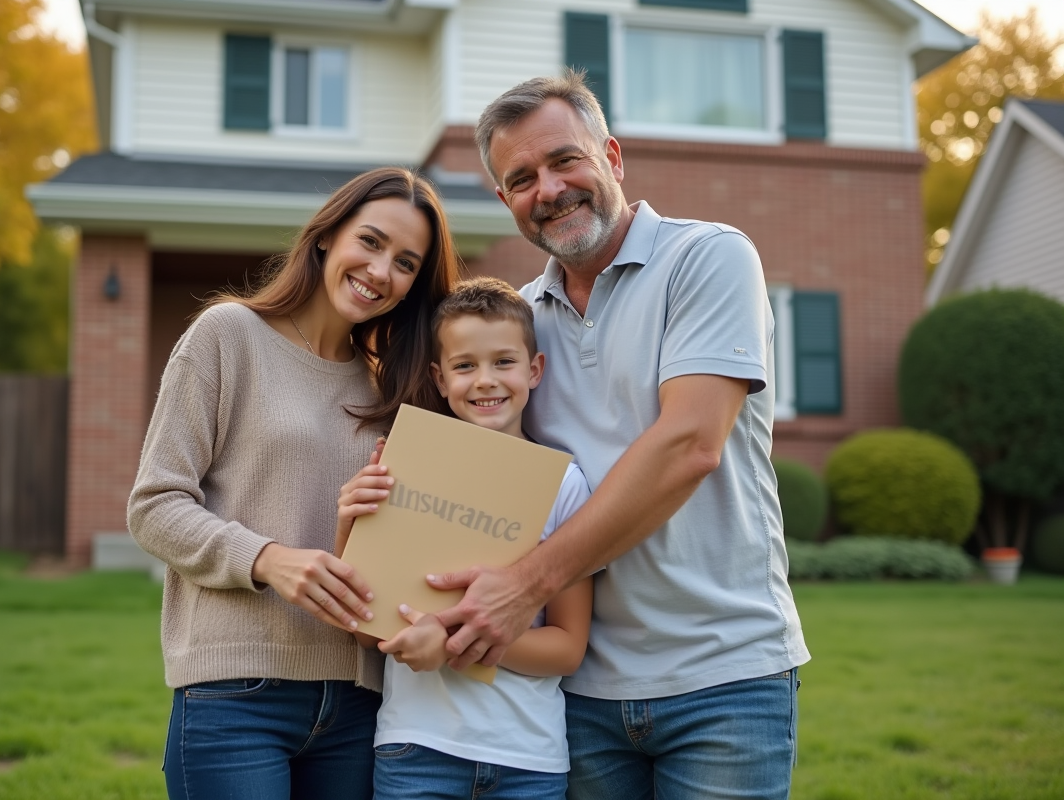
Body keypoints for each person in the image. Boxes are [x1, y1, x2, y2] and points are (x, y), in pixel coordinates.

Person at [427, 72, 812, 799]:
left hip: (723, 678)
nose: (549, 188)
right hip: (579, 693)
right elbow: (485, 465)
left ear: (612, 156)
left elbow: (689, 445)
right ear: (504, 200)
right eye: (521, 179)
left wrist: (524, 587)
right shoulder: (522, 325)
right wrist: (381, 488)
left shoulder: (708, 258)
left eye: (565, 160)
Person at [127, 166, 460, 800]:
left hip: (361, 702)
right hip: (237, 696)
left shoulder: (395, 389)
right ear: (327, 235)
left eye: (407, 262)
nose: (382, 270)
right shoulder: (227, 337)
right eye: (370, 241)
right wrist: (268, 560)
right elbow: (154, 505)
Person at [335, 277, 593, 800]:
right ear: (440, 376)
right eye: (465, 365)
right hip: (417, 752)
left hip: (528, 757)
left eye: (504, 362)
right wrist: (349, 521)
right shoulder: (404, 467)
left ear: (534, 370)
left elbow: (567, 647)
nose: (485, 381)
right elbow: (365, 633)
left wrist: (456, 647)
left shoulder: (563, 485)